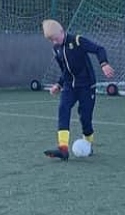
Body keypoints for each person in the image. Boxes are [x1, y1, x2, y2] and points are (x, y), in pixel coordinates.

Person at [41, 19, 115, 160]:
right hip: (70, 86)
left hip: (87, 86)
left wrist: (104, 63)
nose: (55, 42)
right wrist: (59, 84)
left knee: (85, 118)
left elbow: (99, 49)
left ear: (62, 31)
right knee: (63, 108)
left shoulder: (77, 41)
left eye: (56, 38)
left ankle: (88, 145)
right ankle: (63, 149)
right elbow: (65, 70)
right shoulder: (56, 49)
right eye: (51, 40)